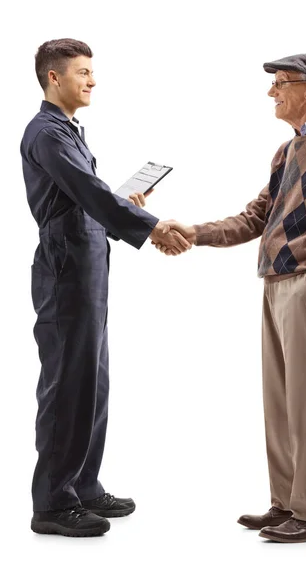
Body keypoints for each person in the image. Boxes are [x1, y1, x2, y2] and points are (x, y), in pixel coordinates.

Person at [154, 54, 306, 543]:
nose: (271, 92)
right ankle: (288, 502)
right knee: (280, 402)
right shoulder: (286, 152)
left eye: (280, 84)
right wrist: (194, 231)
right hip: (275, 285)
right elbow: (255, 217)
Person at [21, 38, 191, 537]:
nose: (92, 81)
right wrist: (150, 224)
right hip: (65, 269)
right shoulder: (46, 132)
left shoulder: (68, 131)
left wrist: (128, 204)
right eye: (83, 72)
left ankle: (83, 485)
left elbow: (84, 201)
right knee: (66, 383)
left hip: (88, 266)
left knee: (93, 379)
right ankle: (52, 503)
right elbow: (88, 196)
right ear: (55, 78)